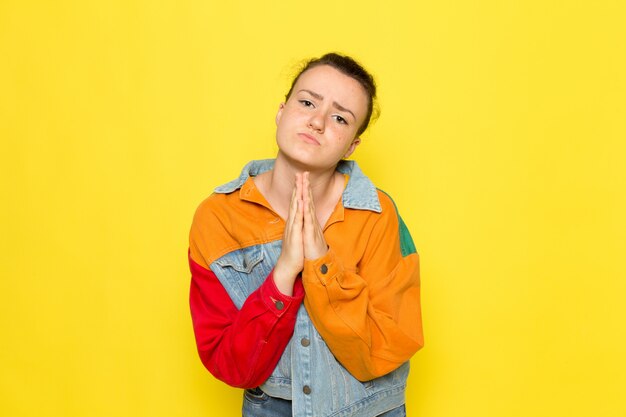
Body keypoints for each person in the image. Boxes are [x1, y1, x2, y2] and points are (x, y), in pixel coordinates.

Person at [188, 52, 424, 417]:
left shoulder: (378, 213)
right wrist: (283, 275)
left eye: (340, 117)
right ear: (282, 112)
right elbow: (231, 365)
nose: (316, 121)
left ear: (351, 145)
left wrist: (321, 265)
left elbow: (386, 351)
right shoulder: (219, 217)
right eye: (307, 102)